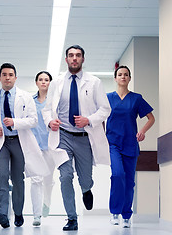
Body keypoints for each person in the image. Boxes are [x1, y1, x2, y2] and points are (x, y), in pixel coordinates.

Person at [42, 45, 111, 231]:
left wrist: (89, 119)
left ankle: (87, 189)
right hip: (62, 136)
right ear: (66, 59)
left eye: (78, 55)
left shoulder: (94, 82)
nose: (74, 58)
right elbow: (47, 109)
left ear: (83, 59)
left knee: (85, 178)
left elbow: (105, 109)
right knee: (65, 176)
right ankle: (72, 218)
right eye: (71, 55)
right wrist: (50, 122)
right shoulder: (56, 83)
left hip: (84, 137)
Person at [0, 63, 49, 229]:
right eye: (4, 74)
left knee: (18, 179)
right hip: (2, 142)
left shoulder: (25, 96)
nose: (7, 77)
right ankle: (2, 214)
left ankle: (18, 213)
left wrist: (15, 122)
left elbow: (33, 120)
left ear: (15, 77)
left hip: (20, 142)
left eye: (10, 74)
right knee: (1, 175)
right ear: (0, 78)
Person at [106, 65, 155, 228]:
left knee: (129, 181)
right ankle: (114, 212)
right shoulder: (107, 98)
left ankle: (126, 214)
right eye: (120, 74)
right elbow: (98, 118)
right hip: (113, 143)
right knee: (117, 175)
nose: (123, 77)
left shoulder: (136, 98)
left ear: (129, 78)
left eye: (126, 74)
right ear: (115, 78)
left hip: (130, 144)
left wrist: (142, 131)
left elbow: (151, 118)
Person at [29, 71, 56, 226]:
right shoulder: (30, 101)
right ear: (36, 82)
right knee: (36, 179)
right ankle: (37, 215)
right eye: (41, 79)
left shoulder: (55, 101)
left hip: (51, 146)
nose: (44, 82)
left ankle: (47, 202)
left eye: (46, 80)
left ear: (50, 83)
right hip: (34, 145)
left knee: (47, 179)